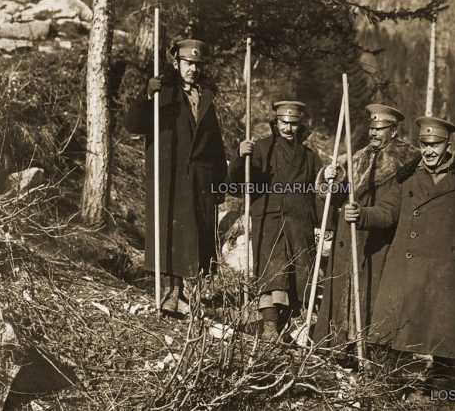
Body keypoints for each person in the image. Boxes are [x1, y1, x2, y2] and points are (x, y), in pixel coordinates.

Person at [344, 116, 455, 381]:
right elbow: (388, 212)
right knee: (395, 332)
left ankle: (440, 390)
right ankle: (390, 385)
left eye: (435, 145)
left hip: (446, 273)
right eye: (424, 144)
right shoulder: (407, 176)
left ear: (448, 145)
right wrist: (362, 214)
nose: (429, 151)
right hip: (406, 268)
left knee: (442, 338)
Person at [125, 37, 227, 314]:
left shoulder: (205, 97)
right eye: (187, 63)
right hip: (170, 175)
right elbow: (134, 124)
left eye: (197, 64)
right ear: (176, 63)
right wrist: (148, 96)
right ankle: (170, 293)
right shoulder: (164, 94)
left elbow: (214, 142)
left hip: (199, 178)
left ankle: (182, 294)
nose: (192, 69)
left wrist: (220, 181)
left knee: (194, 235)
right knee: (171, 233)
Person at [312, 104, 419, 350]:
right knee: (340, 293)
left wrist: (363, 215)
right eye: (371, 127)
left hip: (377, 242)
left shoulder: (405, 161)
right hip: (348, 240)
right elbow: (338, 195)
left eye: (379, 128)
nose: (373, 133)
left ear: (393, 131)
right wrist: (330, 180)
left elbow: (392, 209)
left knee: (371, 297)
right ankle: (336, 346)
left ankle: (366, 351)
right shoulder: (357, 157)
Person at [228, 101, 322, 340]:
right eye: (284, 122)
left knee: (300, 273)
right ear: (276, 122)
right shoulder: (261, 149)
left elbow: (320, 192)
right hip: (270, 219)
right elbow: (239, 183)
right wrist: (241, 158)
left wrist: (325, 222)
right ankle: (269, 326)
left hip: (300, 223)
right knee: (273, 272)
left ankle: (291, 325)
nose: (288, 128)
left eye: (293, 124)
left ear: (300, 125)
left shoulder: (309, 157)